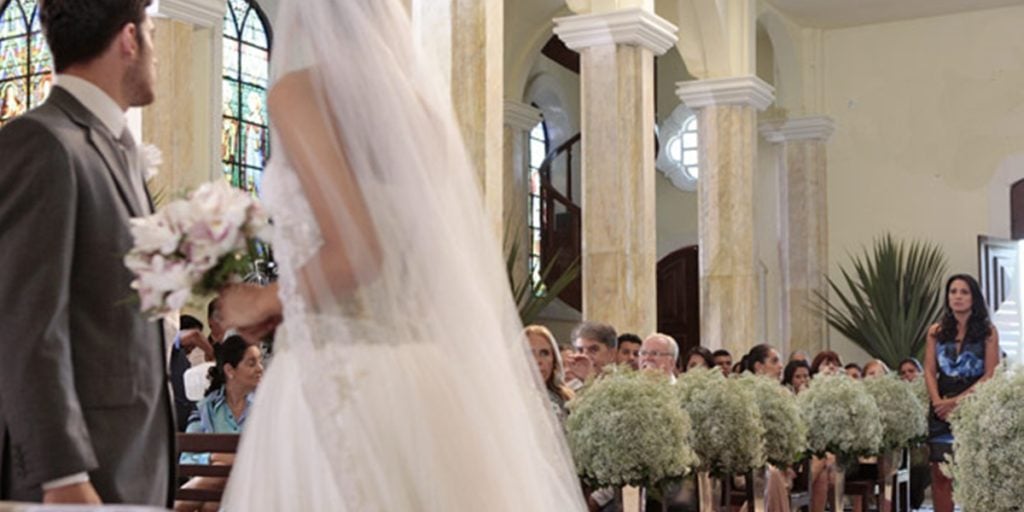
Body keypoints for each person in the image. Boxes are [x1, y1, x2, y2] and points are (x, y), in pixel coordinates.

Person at [214, 1, 585, 509]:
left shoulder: (301, 94)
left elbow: (359, 253)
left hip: (338, 380)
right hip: (422, 383)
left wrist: (263, 301)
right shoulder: (420, 117)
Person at [0, 0, 172, 505]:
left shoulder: (116, 149)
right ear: (128, 40)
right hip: (78, 478)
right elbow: (27, 325)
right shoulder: (43, 142)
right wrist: (62, 475)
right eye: (152, 35)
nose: (155, 54)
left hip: (133, 463)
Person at [924, 274, 998, 512]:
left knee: (973, 473)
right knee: (940, 473)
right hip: (941, 407)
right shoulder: (935, 331)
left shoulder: (987, 332)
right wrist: (937, 401)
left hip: (974, 407)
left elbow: (990, 375)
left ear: (974, 297)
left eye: (964, 292)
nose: (958, 296)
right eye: (953, 291)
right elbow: (928, 369)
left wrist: (955, 402)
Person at [176, 336, 263, 512]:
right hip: (219, 493)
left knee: (213, 496)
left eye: (260, 362)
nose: (260, 369)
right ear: (230, 370)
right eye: (251, 363)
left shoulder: (267, 408)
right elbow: (186, 458)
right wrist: (213, 457)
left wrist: (222, 460)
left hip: (257, 487)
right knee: (213, 500)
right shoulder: (205, 409)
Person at [170, 315, 214, 432]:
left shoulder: (183, 359)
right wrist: (212, 354)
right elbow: (195, 336)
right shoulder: (171, 344)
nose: (195, 347)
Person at [524, 325, 575, 424]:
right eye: (530, 353)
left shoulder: (566, 399)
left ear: (554, 359)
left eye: (544, 353)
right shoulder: (510, 398)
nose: (538, 361)